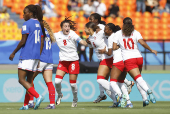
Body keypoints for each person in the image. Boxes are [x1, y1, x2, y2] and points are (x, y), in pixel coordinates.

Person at [88, 13, 133, 103]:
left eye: (91, 19)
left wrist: (107, 48)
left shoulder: (101, 28)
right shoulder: (92, 32)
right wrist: (90, 54)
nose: (89, 20)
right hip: (103, 58)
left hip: (108, 57)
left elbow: (110, 34)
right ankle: (117, 100)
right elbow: (91, 43)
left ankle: (122, 93)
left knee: (107, 80)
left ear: (96, 20)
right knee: (104, 81)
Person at [112, 17, 157, 106]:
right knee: (138, 79)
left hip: (129, 59)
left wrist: (121, 46)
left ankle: (149, 91)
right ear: (132, 24)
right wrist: (151, 50)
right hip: (139, 58)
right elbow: (142, 43)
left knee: (138, 79)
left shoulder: (118, 33)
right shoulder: (136, 32)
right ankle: (145, 99)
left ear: (123, 24)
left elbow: (114, 47)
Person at [9, 5, 46, 110]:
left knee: (21, 80)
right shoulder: (39, 24)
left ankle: (38, 96)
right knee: (29, 81)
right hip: (35, 56)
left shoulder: (26, 24)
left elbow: (23, 41)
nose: (23, 15)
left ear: (30, 13)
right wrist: (38, 57)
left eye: (24, 12)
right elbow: (41, 42)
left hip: (27, 55)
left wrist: (13, 53)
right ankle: (25, 105)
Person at [54, 17, 88, 107]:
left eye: (68, 26)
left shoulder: (73, 34)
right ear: (61, 28)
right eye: (65, 26)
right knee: (57, 81)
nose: (67, 28)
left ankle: (75, 99)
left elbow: (81, 41)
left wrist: (88, 43)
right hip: (63, 62)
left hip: (73, 61)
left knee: (73, 84)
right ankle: (60, 94)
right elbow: (47, 36)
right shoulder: (57, 35)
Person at [98, 23, 133, 108]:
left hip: (118, 61)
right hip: (126, 60)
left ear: (110, 30)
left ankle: (121, 97)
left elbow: (110, 53)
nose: (104, 30)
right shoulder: (119, 34)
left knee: (113, 82)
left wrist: (104, 51)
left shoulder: (111, 38)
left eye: (106, 29)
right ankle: (129, 103)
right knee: (120, 83)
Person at [28, 20, 56, 109]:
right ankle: (52, 104)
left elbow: (37, 46)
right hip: (49, 60)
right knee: (49, 82)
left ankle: (31, 101)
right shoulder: (48, 32)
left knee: (29, 79)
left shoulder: (39, 31)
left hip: (41, 59)